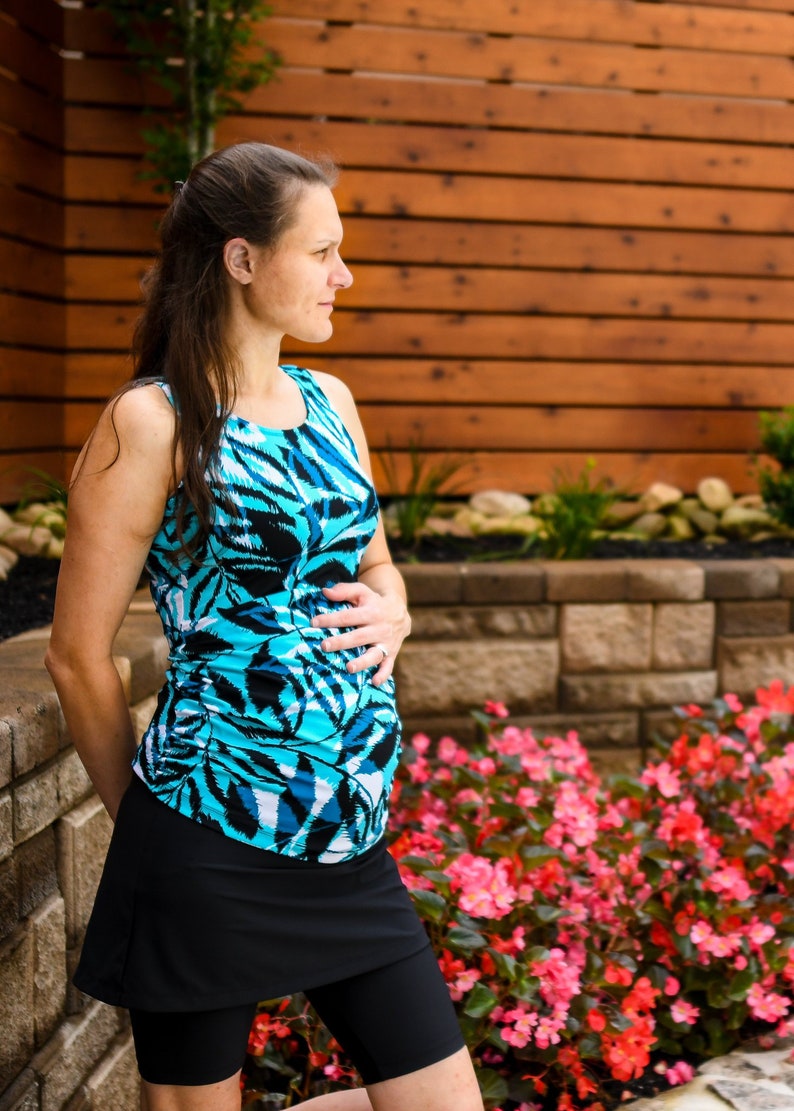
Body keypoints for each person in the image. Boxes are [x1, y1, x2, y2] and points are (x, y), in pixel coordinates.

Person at [45, 143, 484, 1111]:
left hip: (348, 836)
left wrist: (396, 608)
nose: (344, 275)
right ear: (241, 261)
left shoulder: (332, 401)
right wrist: (150, 825)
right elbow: (76, 657)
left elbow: (372, 560)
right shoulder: (151, 422)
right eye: (321, 251)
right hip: (205, 841)